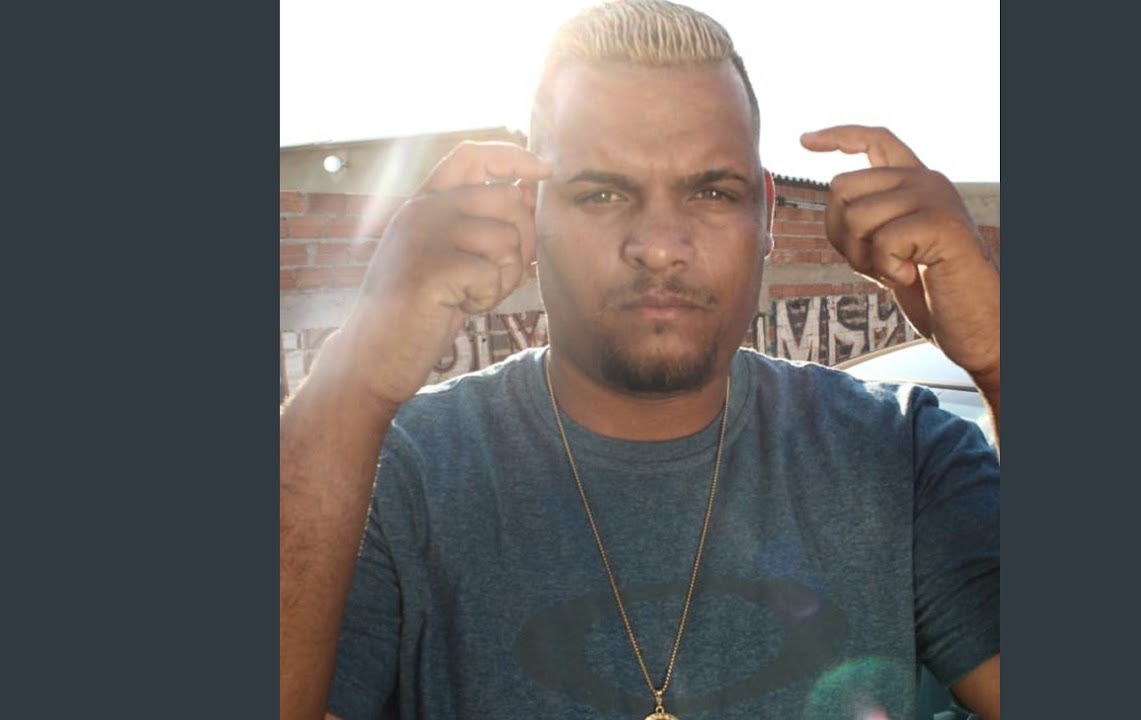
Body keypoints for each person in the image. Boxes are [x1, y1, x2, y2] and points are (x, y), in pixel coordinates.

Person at [280, 1, 1001, 719]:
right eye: (601, 192)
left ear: (766, 214)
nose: (658, 246)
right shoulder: (397, 476)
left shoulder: (903, 452)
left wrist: (1000, 358)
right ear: (531, 212)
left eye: (712, 192)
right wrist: (355, 381)